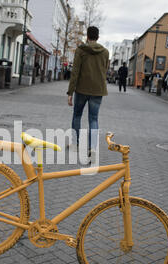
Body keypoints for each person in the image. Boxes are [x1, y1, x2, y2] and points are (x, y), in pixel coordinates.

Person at [67, 26, 109, 163]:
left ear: (87, 36)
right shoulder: (105, 52)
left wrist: (70, 92)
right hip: (98, 90)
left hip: (81, 89)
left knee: (77, 115)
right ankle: (92, 149)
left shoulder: (81, 50)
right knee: (94, 119)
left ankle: (75, 144)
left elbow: (75, 72)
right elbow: (104, 70)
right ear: (98, 37)